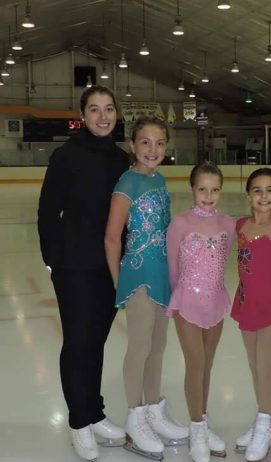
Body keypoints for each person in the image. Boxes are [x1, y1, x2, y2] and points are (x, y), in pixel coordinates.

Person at [37, 85, 129, 461]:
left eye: (108, 109)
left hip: (110, 266)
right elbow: (47, 211)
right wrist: (53, 260)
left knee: (96, 342)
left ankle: (94, 412)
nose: (102, 116)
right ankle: (78, 422)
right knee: (77, 343)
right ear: (83, 115)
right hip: (74, 266)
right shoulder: (66, 156)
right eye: (94, 109)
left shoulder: (121, 159)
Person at [104, 116, 188, 460]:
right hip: (138, 275)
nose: (152, 150)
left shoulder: (159, 179)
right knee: (139, 347)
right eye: (145, 142)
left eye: (159, 143)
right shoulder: (128, 182)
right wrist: (118, 281)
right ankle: (135, 417)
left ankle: (154, 408)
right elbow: (112, 237)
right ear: (132, 145)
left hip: (161, 274)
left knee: (158, 345)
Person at [166, 162, 236, 462]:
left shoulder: (228, 224)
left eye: (215, 190)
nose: (209, 196)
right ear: (191, 188)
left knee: (206, 364)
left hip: (215, 300)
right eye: (202, 189)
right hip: (186, 301)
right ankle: (196, 429)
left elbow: (224, 259)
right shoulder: (180, 224)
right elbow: (172, 267)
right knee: (195, 363)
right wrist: (179, 298)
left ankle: (203, 419)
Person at [231, 168, 271, 462]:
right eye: (257, 190)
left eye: (270, 189)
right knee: (253, 365)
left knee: (265, 365)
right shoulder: (240, 226)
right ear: (248, 195)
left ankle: (263, 422)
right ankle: (268, 422)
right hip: (246, 301)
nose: (264, 195)